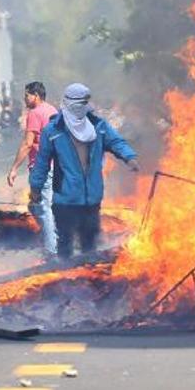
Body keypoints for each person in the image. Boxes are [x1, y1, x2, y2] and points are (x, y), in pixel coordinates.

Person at [30, 83, 139, 260]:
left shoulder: (99, 126)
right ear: (67, 103)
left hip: (92, 198)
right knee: (65, 245)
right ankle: (63, 282)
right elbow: (41, 162)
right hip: (65, 199)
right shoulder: (53, 130)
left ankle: (87, 283)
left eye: (84, 103)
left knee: (90, 246)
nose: (80, 109)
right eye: (77, 104)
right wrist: (35, 188)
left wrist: (129, 157)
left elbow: (116, 142)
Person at [7, 82, 59, 258]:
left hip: (41, 167)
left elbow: (28, 143)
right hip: (55, 165)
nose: (24, 99)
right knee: (38, 205)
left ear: (36, 95)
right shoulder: (52, 110)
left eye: (27, 95)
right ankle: (53, 240)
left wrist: (14, 168)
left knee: (43, 208)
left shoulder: (35, 114)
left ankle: (52, 250)